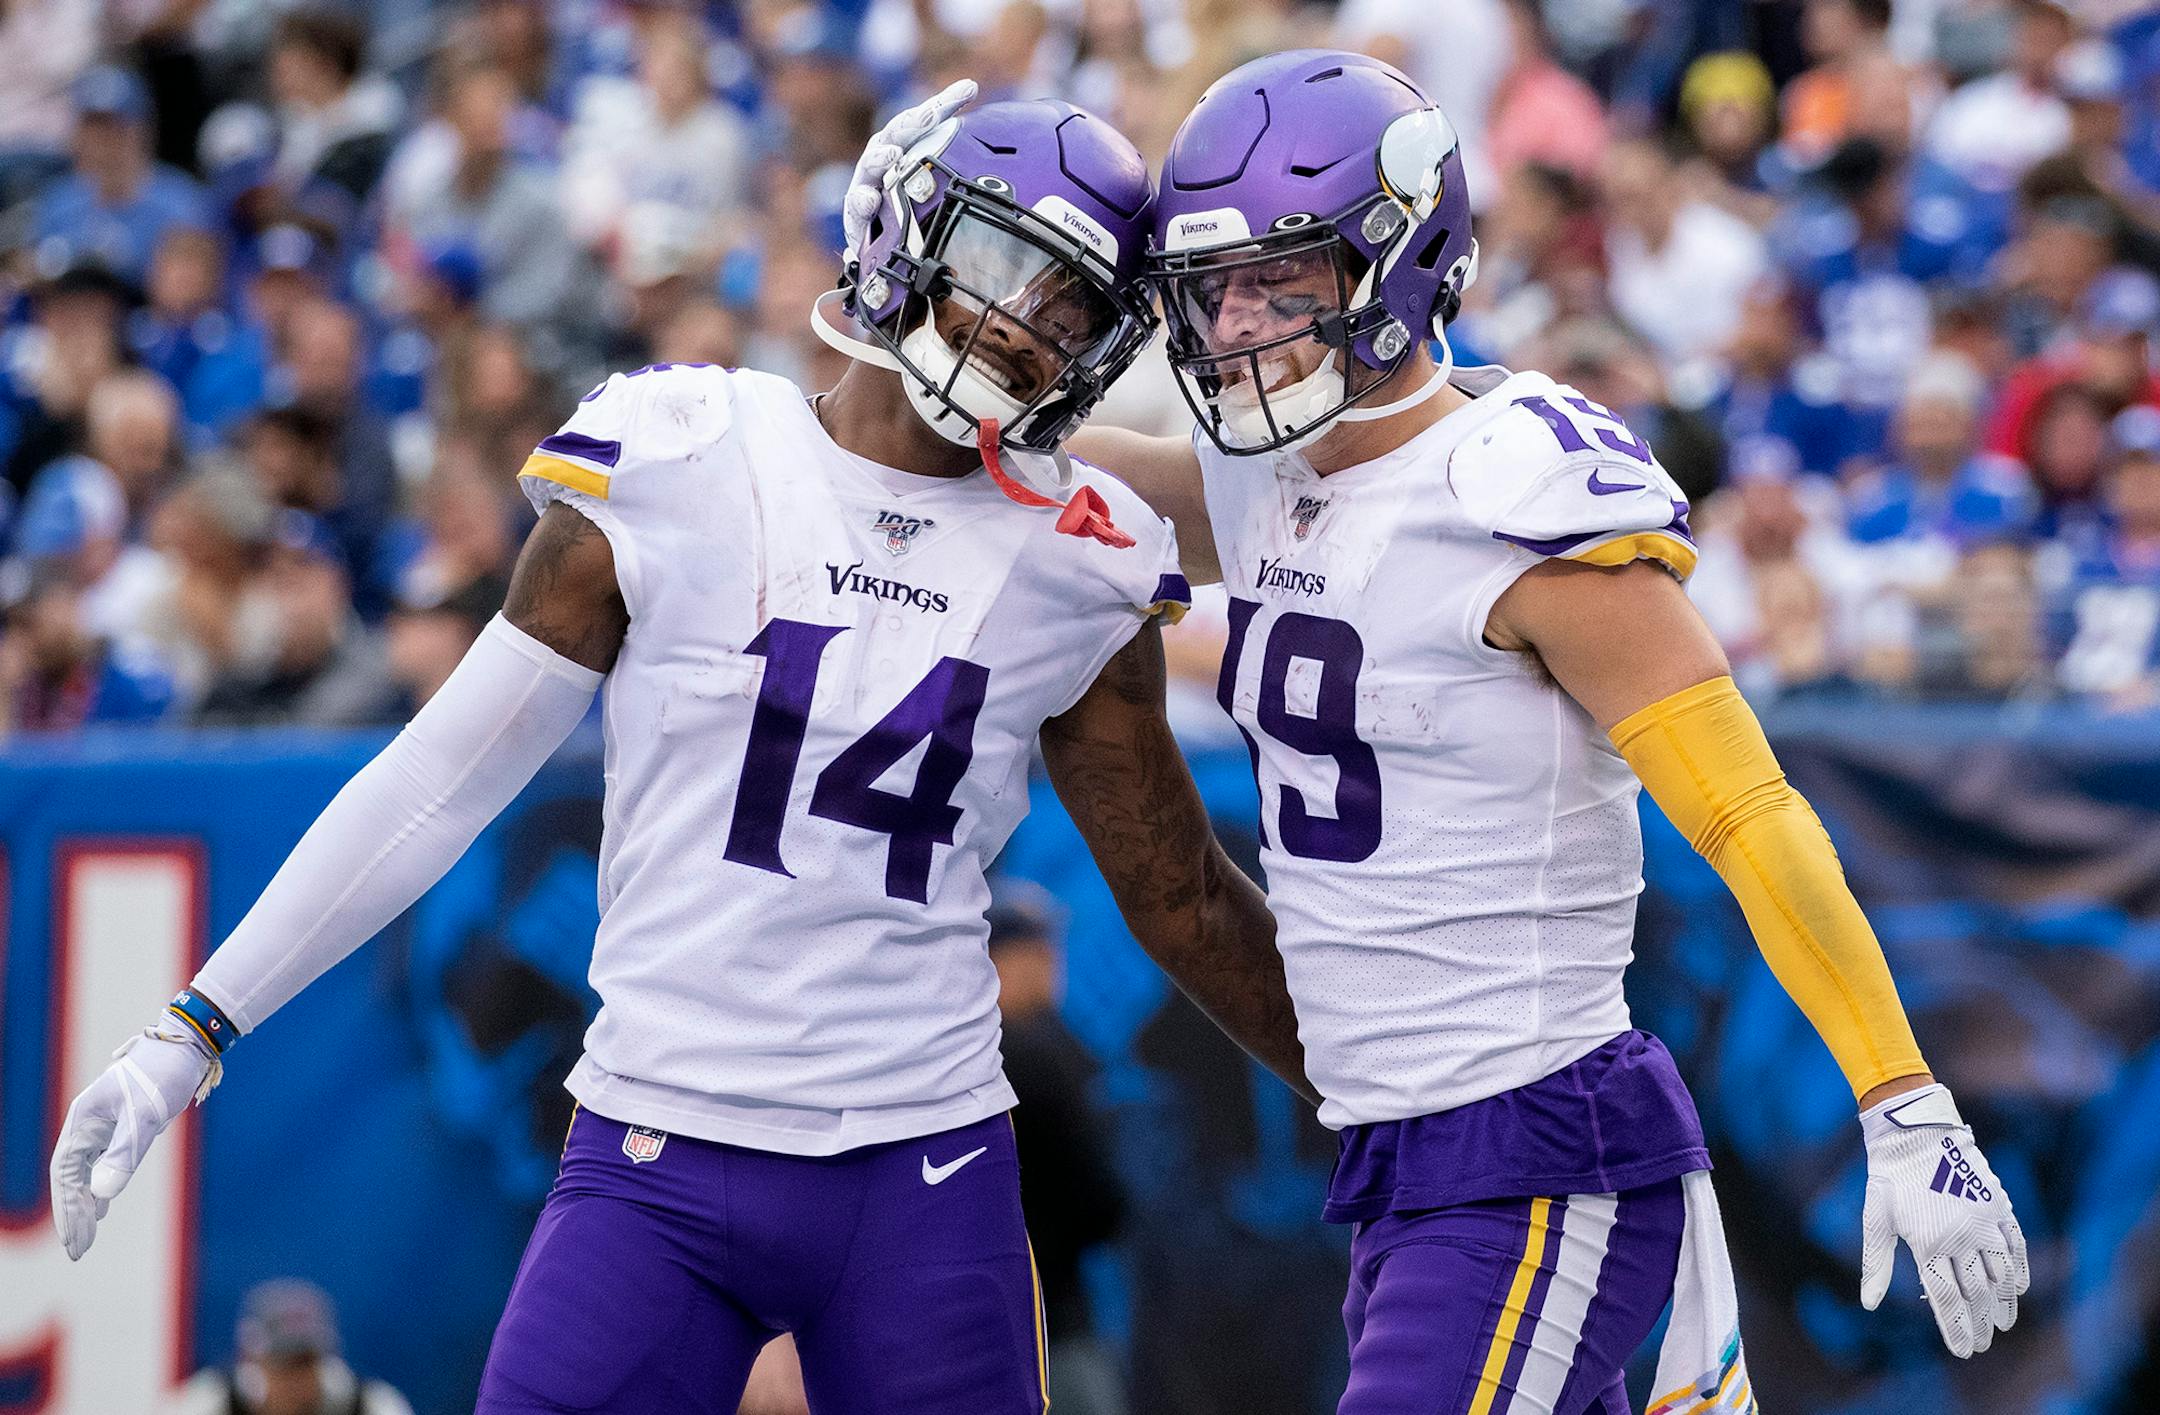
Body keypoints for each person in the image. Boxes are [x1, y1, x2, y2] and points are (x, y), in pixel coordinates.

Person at [51, 91, 1308, 1414]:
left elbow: (1181, 892)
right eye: (1010, 267)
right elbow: (441, 776)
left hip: (923, 1160)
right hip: (655, 1144)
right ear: (904, 229)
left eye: (1072, 307)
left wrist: (1387, 1105)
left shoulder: (1082, 549)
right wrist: (194, 1025)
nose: (1027, 323)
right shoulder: (689, 450)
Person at [1001, 50, 2025, 1412]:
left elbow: (1749, 812)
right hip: (1394, 1151)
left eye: (1280, 280)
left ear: (1397, 264)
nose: (1238, 323)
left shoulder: (1511, 491)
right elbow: (1077, 479)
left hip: (1539, 1144)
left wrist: (1902, 1097)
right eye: (1215, 287)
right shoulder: (1266, 477)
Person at [167, 1278, 414, 1415]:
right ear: (252, 1360)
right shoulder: (206, 1404)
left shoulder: (372, 1405)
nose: (297, 1382)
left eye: (307, 1363)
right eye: (284, 1365)